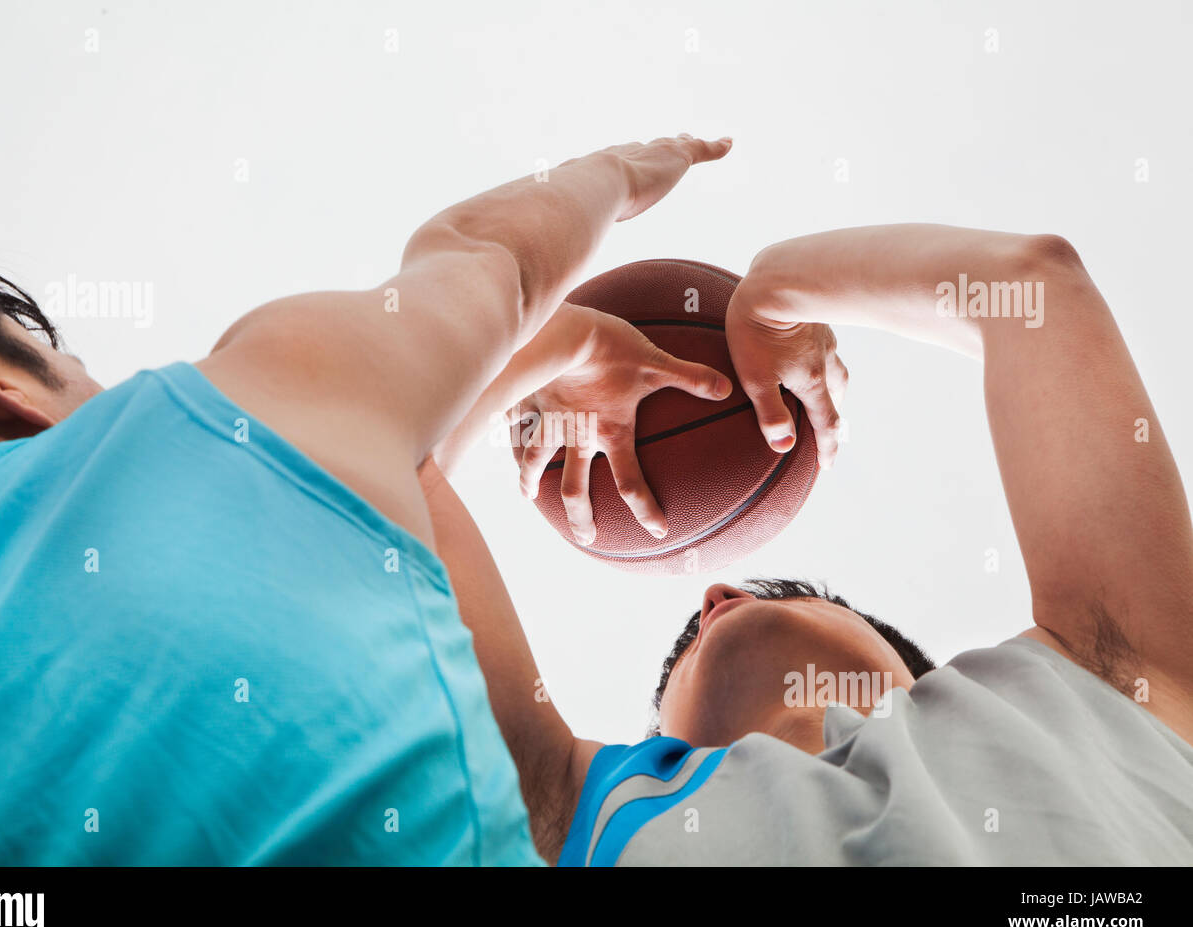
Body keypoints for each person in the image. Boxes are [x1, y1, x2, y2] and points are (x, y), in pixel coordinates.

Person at [0, 134, 731, 864]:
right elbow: (486, 257)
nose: (107, 393)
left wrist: (567, 345)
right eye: (75, 368)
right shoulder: (198, 426)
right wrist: (625, 170)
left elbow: (388, 487)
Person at [424, 224, 1193, 864]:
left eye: (790, 591)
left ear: (917, 673)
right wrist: (557, 350)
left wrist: (777, 290)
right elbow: (386, 472)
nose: (714, 600)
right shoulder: (561, 815)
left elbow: (1033, 289)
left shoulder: (1101, 684)